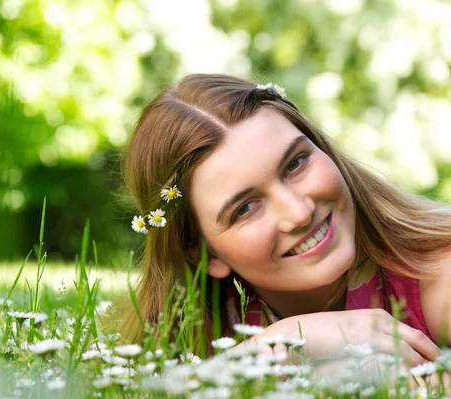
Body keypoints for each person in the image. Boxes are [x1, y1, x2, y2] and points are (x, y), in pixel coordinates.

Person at [120, 73, 451, 366]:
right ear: (204, 253)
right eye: (246, 208)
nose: (299, 212)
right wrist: (289, 341)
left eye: (295, 164)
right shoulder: (197, 336)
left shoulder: (437, 276)